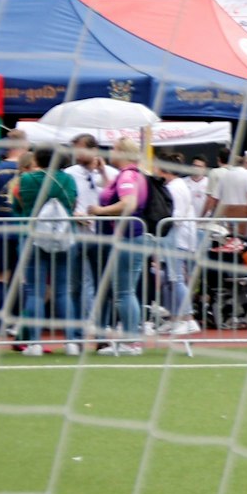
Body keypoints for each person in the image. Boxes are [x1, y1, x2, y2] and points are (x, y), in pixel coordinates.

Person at [12, 145, 79, 355]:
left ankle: (34, 343)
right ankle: (71, 342)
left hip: (32, 237)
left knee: (35, 291)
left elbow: (18, 204)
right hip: (63, 236)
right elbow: (74, 203)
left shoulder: (26, 180)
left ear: (38, 160)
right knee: (62, 290)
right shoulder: (68, 180)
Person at [85, 138, 150, 354]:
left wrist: (98, 211)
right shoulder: (133, 174)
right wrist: (105, 174)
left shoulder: (128, 176)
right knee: (126, 290)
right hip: (132, 237)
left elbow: (128, 203)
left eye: (114, 149)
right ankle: (132, 339)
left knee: (124, 292)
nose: (111, 152)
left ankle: (131, 341)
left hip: (128, 237)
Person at [0, 128, 28, 336]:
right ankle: (20, 322)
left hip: (1, 228)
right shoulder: (29, 170)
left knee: (0, 275)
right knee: (24, 276)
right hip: (23, 229)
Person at [63, 135, 110, 337]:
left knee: (102, 285)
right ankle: (76, 333)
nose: (76, 153)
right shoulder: (69, 173)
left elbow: (112, 195)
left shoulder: (107, 173)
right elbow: (63, 201)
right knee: (75, 285)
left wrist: (103, 171)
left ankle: (100, 332)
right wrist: (74, 216)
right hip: (76, 235)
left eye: (79, 149)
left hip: (100, 235)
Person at [161, 166, 204, 336]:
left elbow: (176, 217)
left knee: (176, 278)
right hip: (180, 237)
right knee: (171, 280)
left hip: (177, 238)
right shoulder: (180, 186)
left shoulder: (175, 188)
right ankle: (176, 318)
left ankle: (188, 318)